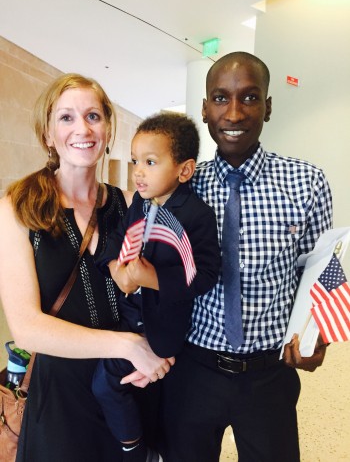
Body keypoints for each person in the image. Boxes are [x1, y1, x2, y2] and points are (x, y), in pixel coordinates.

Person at [160, 52, 333, 462]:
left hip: (269, 374)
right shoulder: (182, 186)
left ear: (268, 107)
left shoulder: (306, 182)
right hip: (193, 370)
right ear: (204, 109)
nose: (234, 113)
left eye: (250, 98)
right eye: (220, 98)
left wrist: (317, 337)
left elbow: (321, 269)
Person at [0, 73, 173, 462]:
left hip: (128, 385)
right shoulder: (17, 208)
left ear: (107, 128)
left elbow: (164, 292)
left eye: (93, 116)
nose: (82, 128)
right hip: (62, 397)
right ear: (47, 134)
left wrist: (161, 352)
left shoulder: (131, 205)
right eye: (66, 118)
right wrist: (127, 344)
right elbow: (26, 328)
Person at [92, 112, 220, 462]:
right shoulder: (138, 203)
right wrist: (115, 266)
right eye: (135, 161)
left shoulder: (196, 214)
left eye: (150, 162)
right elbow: (115, 240)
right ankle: (136, 446)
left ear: (184, 170)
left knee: (110, 385)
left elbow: (207, 273)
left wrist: (154, 279)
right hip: (128, 318)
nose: (138, 171)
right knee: (111, 387)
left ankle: (138, 451)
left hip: (163, 328)